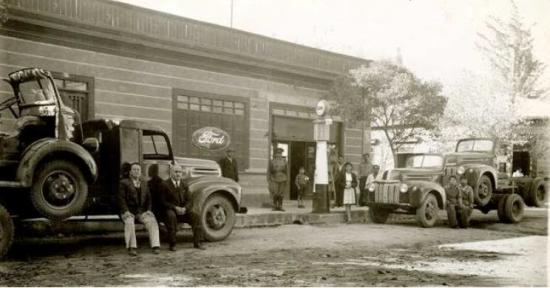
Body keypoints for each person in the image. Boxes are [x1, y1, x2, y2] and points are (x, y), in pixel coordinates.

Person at [118, 162, 161, 256]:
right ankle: (132, 247)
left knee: (152, 220)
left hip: (141, 212)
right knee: (129, 222)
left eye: (138, 170)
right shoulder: (124, 183)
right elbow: (121, 199)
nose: (136, 171)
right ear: (130, 172)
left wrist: (149, 210)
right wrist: (126, 211)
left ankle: (155, 246)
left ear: (141, 172)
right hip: (128, 211)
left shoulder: (144, 183)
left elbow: (149, 199)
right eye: (134, 169)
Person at [159, 164, 204, 251]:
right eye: (176, 172)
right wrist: (175, 208)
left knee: (196, 216)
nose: (178, 174)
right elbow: (162, 201)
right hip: (170, 210)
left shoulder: (184, 185)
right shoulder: (164, 184)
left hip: (183, 211)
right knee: (171, 216)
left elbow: (190, 200)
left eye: (180, 172)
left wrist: (185, 209)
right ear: (171, 173)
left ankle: (198, 242)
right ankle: (172, 244)